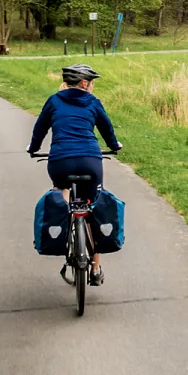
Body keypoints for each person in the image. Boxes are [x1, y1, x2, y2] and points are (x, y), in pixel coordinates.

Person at [28, 63, 122, 286]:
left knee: (62, 191)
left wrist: (33, 148)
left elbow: (39, 129)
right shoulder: (93, 102)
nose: (92, 87)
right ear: (83, 83)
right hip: (90, 161)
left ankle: (64, 227)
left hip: (60, 161)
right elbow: (107, 129)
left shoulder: (53, 101)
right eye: (91, 83)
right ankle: (96, 269)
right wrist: (114, 145)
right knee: (94, 205)